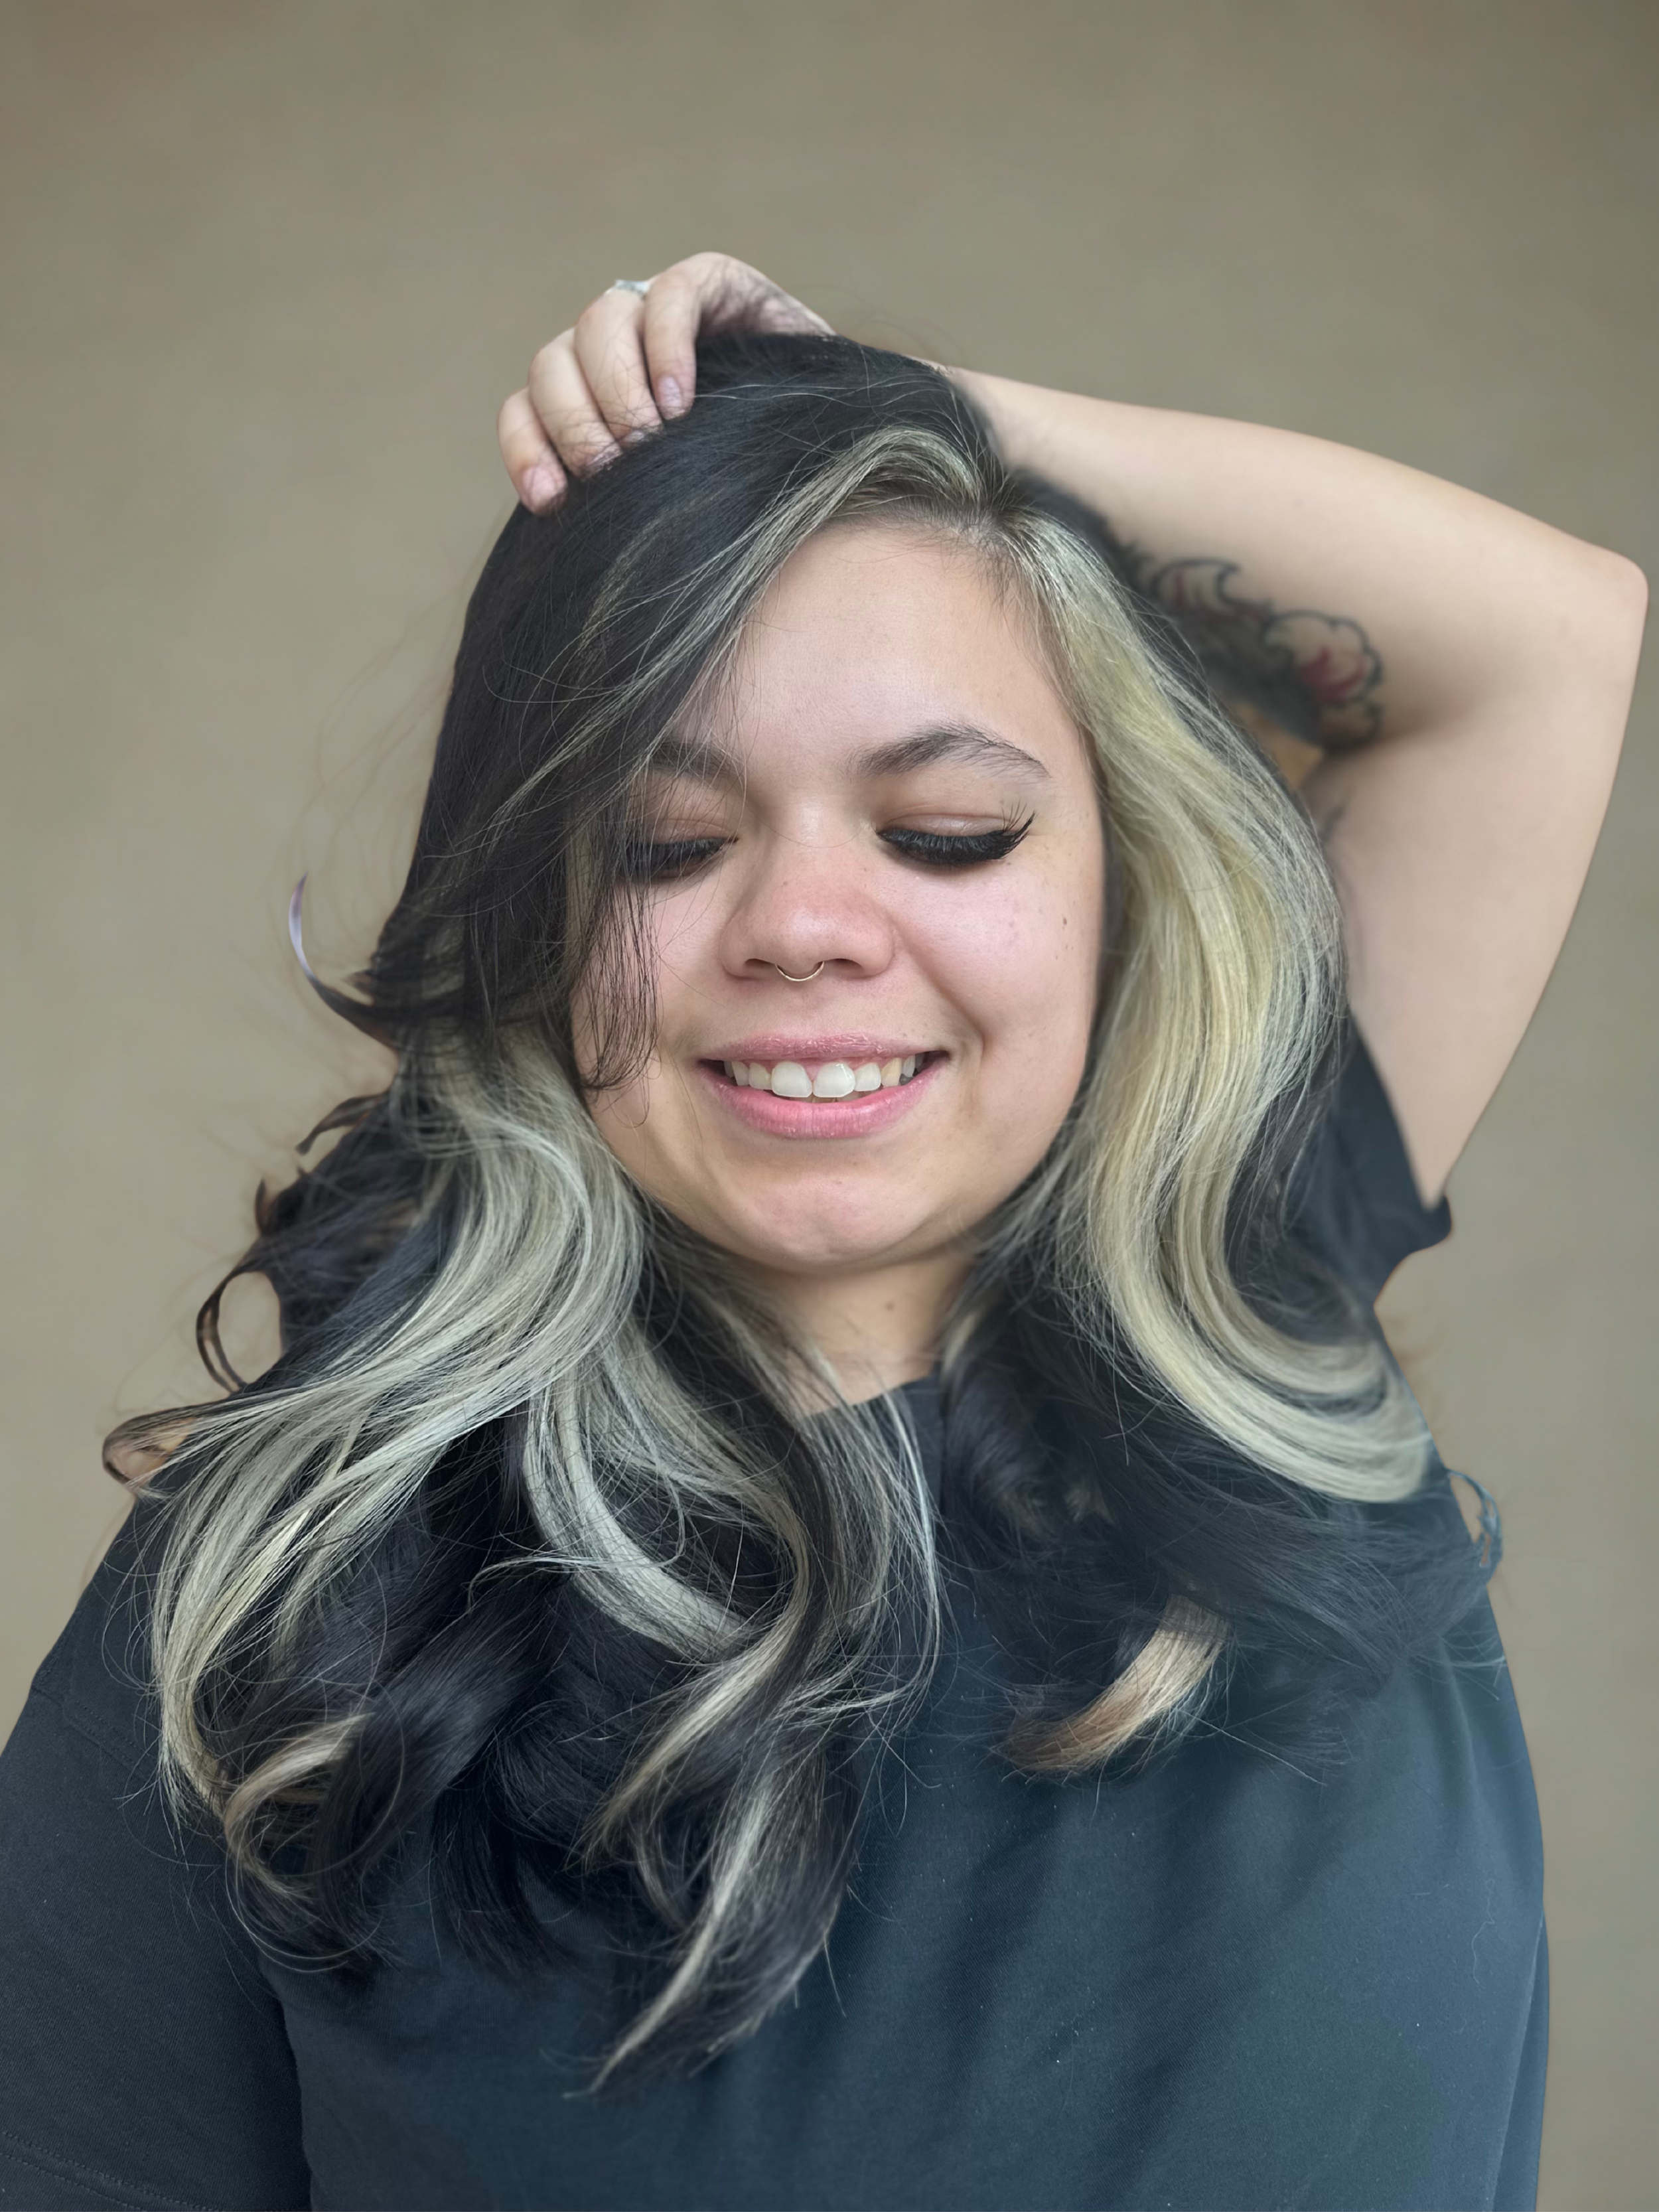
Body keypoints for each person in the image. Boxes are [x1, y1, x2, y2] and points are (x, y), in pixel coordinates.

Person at [0, 252, 1644, 2212]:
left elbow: (1549, 640)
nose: (801, 925)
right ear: (531, 915)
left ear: (1125, 890)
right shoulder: (279, 1593)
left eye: (944, 828)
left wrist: (910, 416)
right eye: (665, 843)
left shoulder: (1256, 1269)